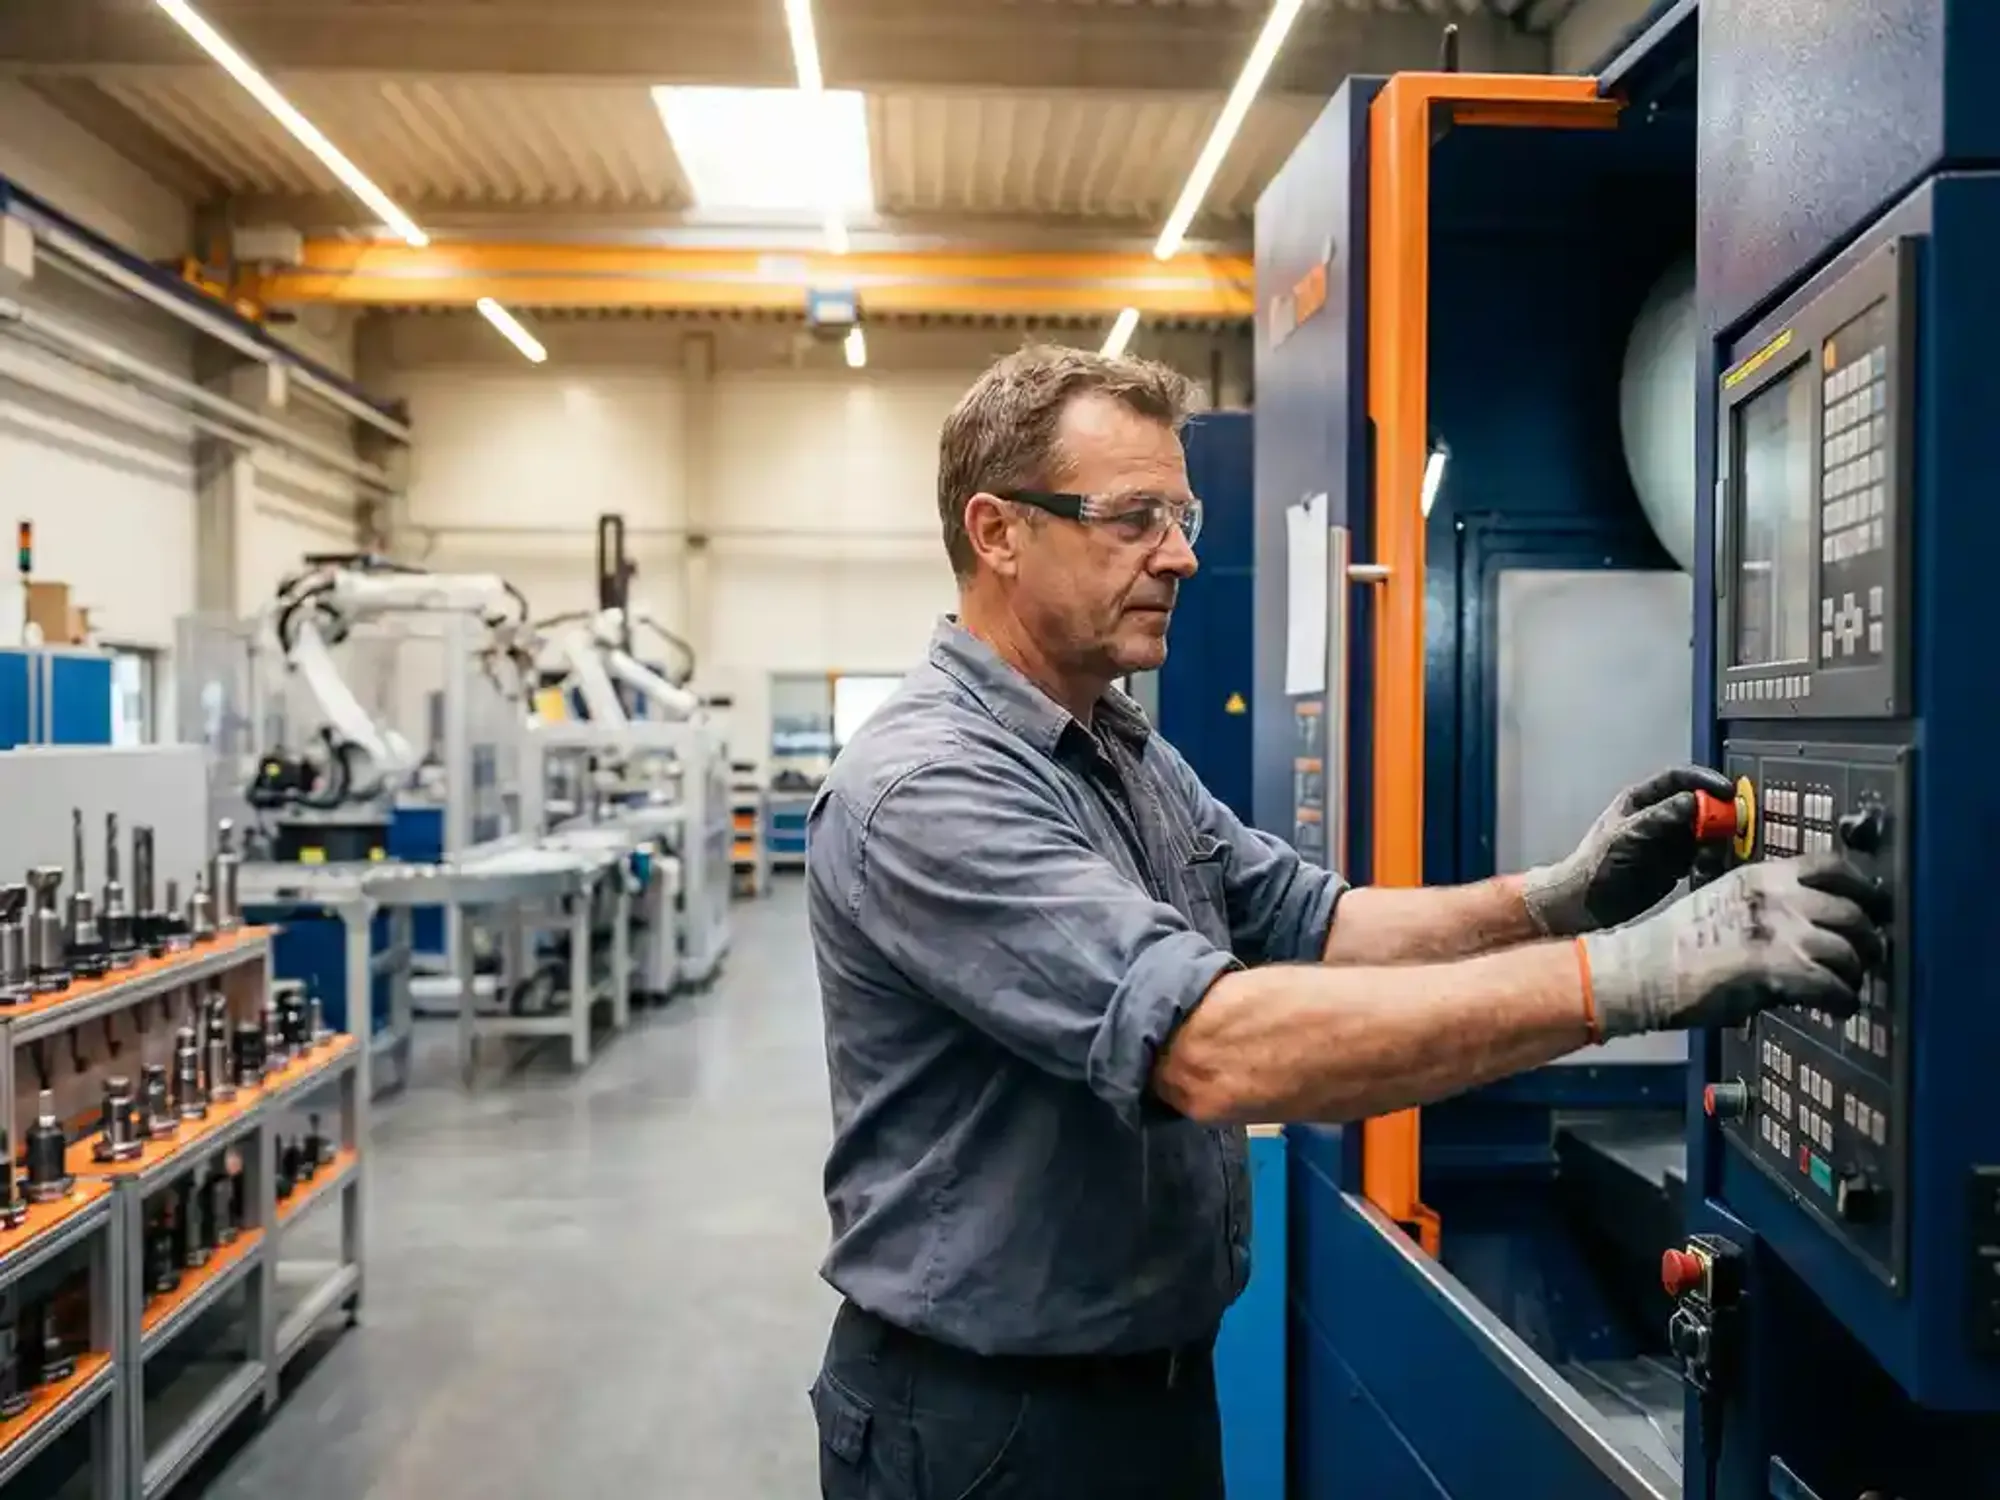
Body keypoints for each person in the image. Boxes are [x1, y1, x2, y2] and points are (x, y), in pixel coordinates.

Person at [804, 345, 1887, 1500]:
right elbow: (1215, 1048)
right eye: (1130, 519)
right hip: (986, 1427)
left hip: (1143, 1391)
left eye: (1180, 513)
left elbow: (1313, 922)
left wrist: (1556, 897)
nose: (1180, 553)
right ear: (996, 531)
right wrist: (1630, 975)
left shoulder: (1119, 748)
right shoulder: (927, 789)